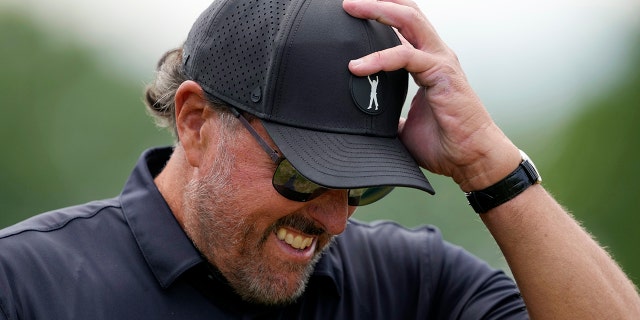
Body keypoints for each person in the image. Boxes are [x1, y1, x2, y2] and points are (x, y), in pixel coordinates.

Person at [1, 0, 639, 318]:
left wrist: (489, 167)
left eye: (363, 187)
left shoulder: (409, 284)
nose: (335, 222)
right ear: (194, 123)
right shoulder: (25, 287)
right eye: (305, 175)